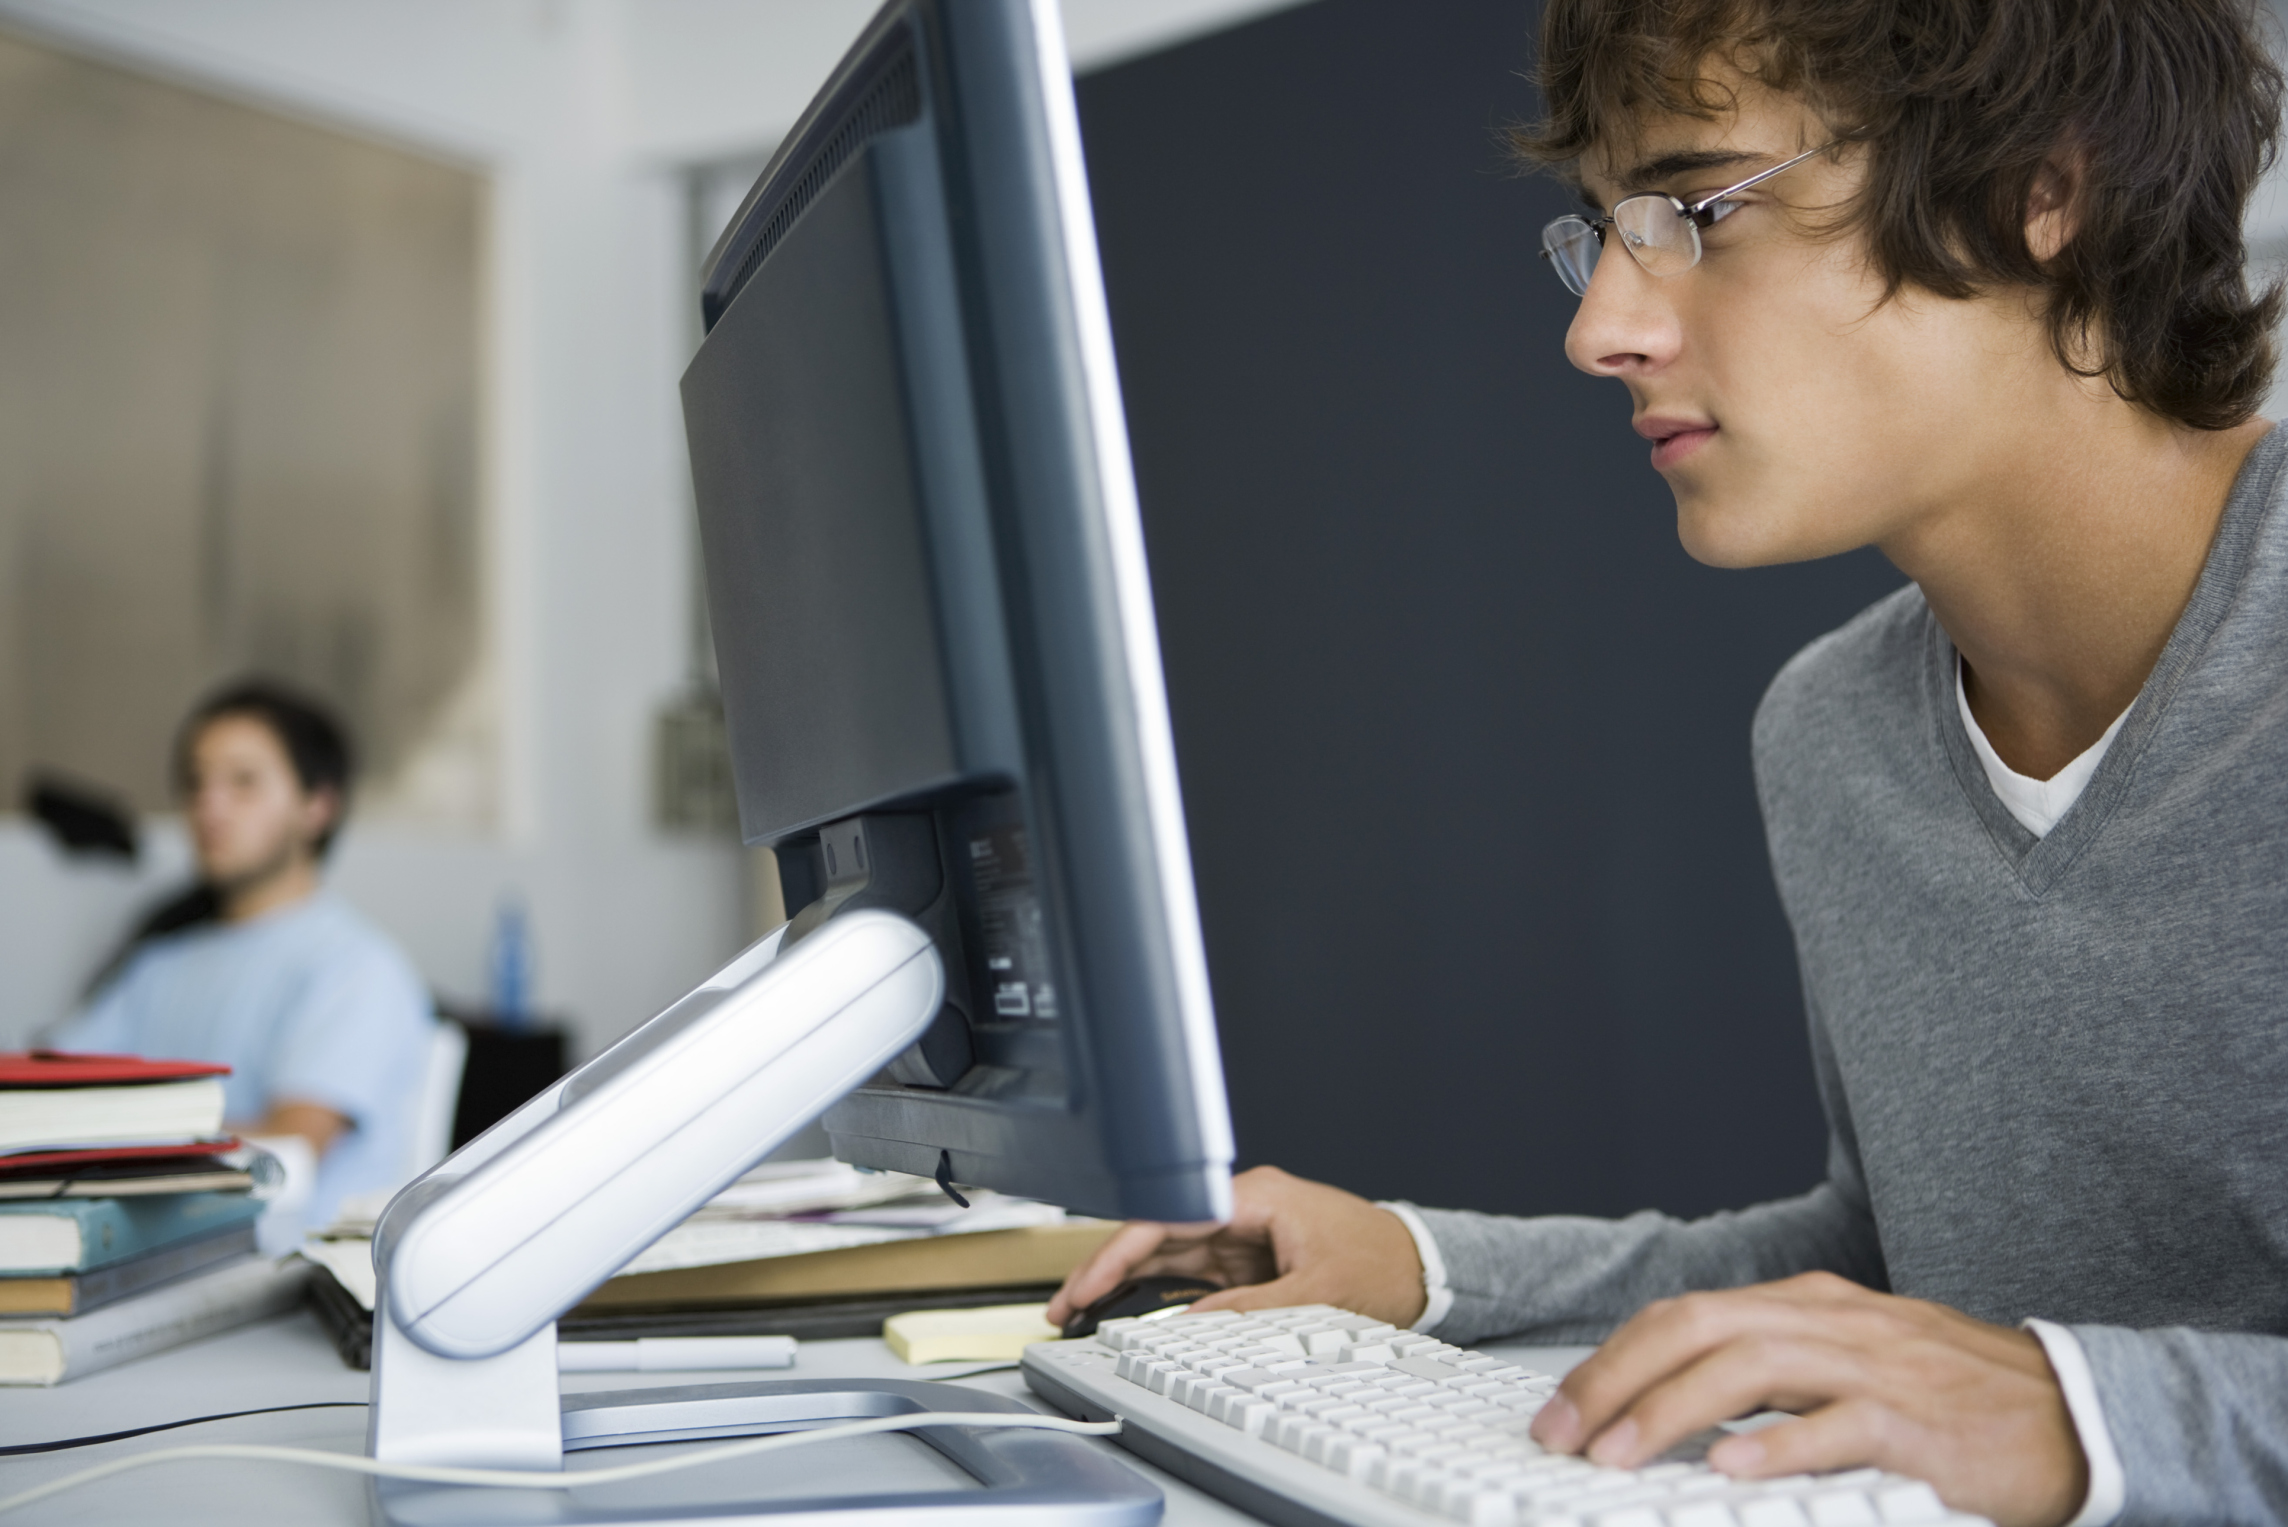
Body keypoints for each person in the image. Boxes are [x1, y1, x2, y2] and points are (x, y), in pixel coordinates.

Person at [1048, 2, 2288, 1523]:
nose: (1600, 329)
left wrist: (2082, 1409)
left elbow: (2018, 1371)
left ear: (2044, 187)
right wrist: (1428, 1266)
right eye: (1604, 233)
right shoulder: (1837, 732)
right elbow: (1900, 1259)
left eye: (1698, 212)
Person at [49, 680, 435, 1235]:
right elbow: (47, 1093)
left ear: (317, 806)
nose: (209, 804)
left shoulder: (355, 968)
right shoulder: (159, 964)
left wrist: (118, 1141)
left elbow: (293, 1145)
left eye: (244, 782)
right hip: (150, 1263)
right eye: (196, 781)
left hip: (284, 1283)